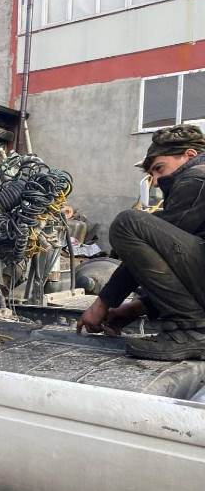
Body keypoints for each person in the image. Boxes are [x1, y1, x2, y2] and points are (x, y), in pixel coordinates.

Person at [77, 124, 205, 360]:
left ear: (190, 155)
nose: (156, 181)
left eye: (159, 168)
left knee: (129, 223)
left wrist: (102, 303)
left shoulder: (197, 178)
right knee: (151, 221)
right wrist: (137, 308)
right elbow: (181, 267)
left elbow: (165, 252)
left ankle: (192, 331)